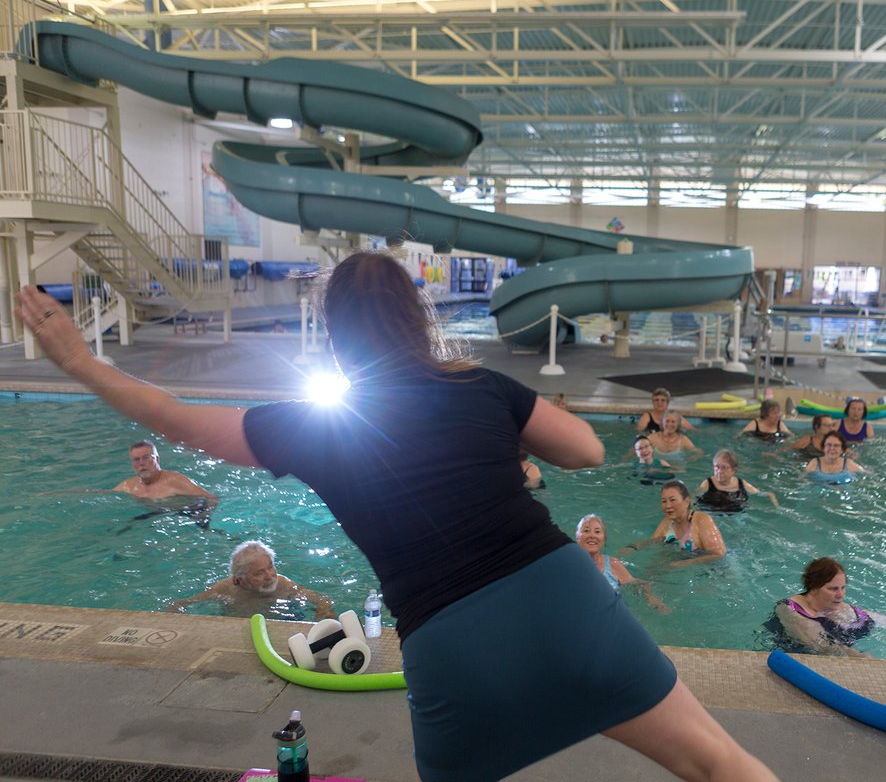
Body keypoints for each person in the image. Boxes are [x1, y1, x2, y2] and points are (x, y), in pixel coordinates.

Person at [16, 264, 777, 782]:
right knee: (718, 764)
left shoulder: (311, 425)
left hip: (449, 638)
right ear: (418, 316)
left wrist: (81, 360)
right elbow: (582, 449)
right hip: (561, 598)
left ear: (335, 334)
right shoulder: (478, 385)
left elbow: (173, 418)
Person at [169, 540, 336, 619]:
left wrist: (324, 612)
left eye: (270, 566)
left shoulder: (284, 585)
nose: (270, 576)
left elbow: (322, 600)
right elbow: (183, 603)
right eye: (259, 573)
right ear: (240, 580)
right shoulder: (225, 589)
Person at [575, 515, 669, 613]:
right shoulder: (568, 566)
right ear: (577, 538)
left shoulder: (613, 565)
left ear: (603, 540)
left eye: (597, 532)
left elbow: (638, 583)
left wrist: (651, 597)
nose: (592, 536)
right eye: (586, 531)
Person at [624, 481, 727, 567]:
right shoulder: (667, 522)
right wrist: (633, 547)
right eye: (664, 501)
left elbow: (718, 554)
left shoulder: (702, 520)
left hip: (714, 570)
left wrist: (682, 564)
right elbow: (653, 541)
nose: (668, 505)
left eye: (672, 500)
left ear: (686, 501)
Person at [113, 440, 216, 525]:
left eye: (146, 457)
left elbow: (211, 498)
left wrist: (204, 516)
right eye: (136, 460)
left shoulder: (175, 480)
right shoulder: (129, 485)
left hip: (189, 514)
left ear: (157, 459)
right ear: (132, 464)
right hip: (158, 515)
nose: (141, 463)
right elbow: (103, 495)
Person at [695, 449, 779, 512]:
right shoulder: (707, 483)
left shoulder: (742, 484)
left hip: (735, 514)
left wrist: (777, 507)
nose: (719, 471)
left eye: (724, 467)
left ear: (734, 470)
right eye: (717, 467)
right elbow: (693, 498)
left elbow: (762, 494)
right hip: (712, 513)